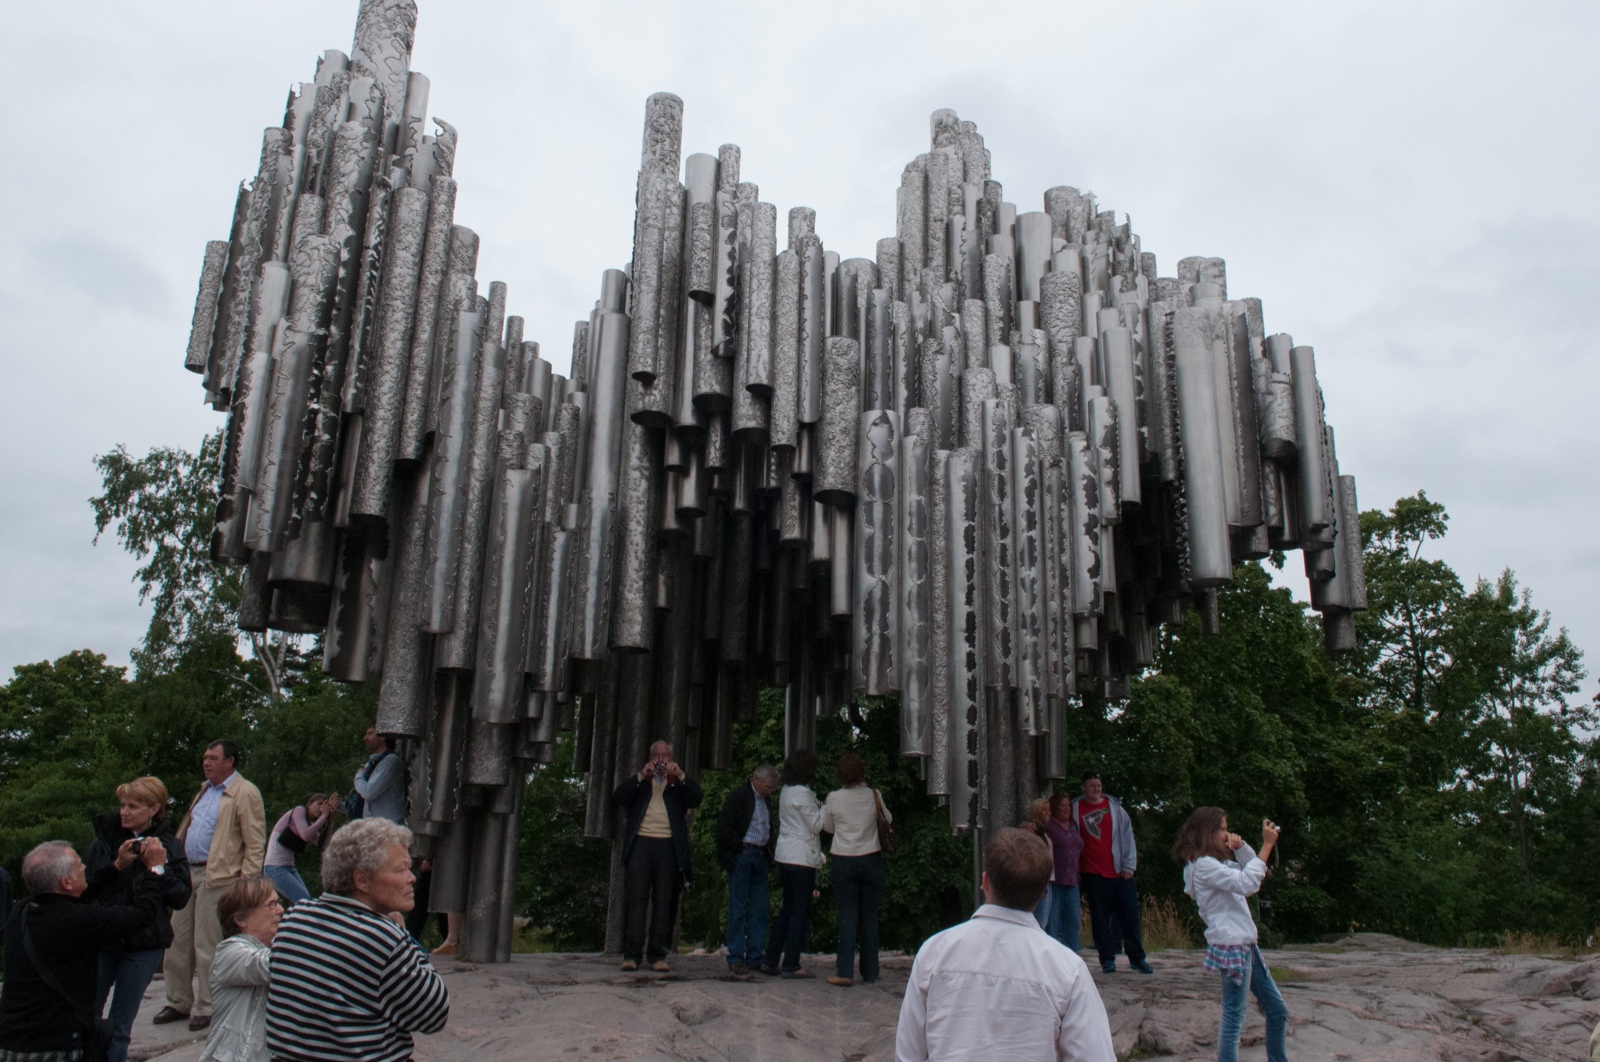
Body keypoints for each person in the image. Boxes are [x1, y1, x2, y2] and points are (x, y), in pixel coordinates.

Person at [895, 827, 1115, 1062]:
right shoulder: (1068, 969)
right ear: (1043, 892)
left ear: (985, 881)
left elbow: (908, 1054)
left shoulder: (934, 953)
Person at [266, 819, 448, 1061]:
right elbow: (435, 1014)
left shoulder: (294, 919)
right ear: (361, 880)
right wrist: (406, 939)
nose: (411, 877)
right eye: (401, 869)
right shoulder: (383, 938)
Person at [0, 840, 168, 1059]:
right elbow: (140, 915)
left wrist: (117, 865)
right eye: (79, 866)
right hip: (53, 1047)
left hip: (11, 1042)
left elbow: (78, 897)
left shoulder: (20, 912)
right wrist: (156, 869)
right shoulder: (77, 921)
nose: (85, 868)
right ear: (66, 882)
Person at [158, 739, 267, 1031]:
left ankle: (208, 1005)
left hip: (219, 875)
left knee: (207, 943)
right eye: (205, 757)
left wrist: (248, 884)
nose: (206, 762)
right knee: (176, 938)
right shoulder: (205, 790)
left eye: (213, 758)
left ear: (230, 761)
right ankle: (177, 1000)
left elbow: (255, 842)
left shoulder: (245, 792)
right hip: (188, 873)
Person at [84, 776, 194, 1062]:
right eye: (122, 805)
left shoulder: (169, 845)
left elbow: (180, 897)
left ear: (153, 808)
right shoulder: (104, 842)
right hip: (103, 938)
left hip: (144, 943)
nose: (124, 811)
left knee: (121, 1027)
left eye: (133, 806)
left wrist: (157, 868)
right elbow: (87, 888)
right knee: (85, 1016)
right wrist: (117, 865)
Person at [1174, 809, 1287, 1062]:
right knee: (1233, 1018)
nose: (1227, 833)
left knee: (1277, 1010)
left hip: (1244, 944)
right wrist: (1267, 845)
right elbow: (1249, 884)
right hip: (1233, 944)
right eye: (1223, 829)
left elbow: (1251, 872)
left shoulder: (1213, 864)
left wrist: (1242, 846)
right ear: (1207, 832)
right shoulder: (1204, 867)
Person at [612, 740, 703, 972]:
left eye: (665, 755)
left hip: (668, 845)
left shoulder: (677, 785)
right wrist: (641, 775)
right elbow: (619, 796)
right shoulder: (642, 783)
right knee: (637, 899)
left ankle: (657, 955)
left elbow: (696, 798)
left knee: (664, 901)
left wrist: (681, 775)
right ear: (650, 757)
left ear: (671, 757)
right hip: (641, 842)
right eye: (657, 755)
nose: (661, 759)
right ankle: (632, 955)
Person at [821, 751, 890, 987]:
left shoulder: (833, 798)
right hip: (871, 858)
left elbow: (828, 828)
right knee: (870, 916)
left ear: (840, 774)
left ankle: (845, 971)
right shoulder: (874, 795)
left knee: (847, 916)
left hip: (844, 859)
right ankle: (870, 971)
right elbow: (887, 820)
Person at [1072, 772, 1151, 974]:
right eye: (1092, 786)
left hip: (1119, 871)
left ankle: (1137, 957)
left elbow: (1127, 836)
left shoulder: (1114, 808)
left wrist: (1129, 865)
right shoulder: (1075, 809)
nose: (1096, 789)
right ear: (1083, 788)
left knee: (1129, 916)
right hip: (1092, 872)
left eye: (1098, 785)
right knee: (1100, 918)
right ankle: (1107, 959)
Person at [198, 876, 281, 1062]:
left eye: (278, 903)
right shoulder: (228, 952)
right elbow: (270, 965)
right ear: (241, 919)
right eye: (271, 904)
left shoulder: (274, 948)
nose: (280, 910)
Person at [762, 750, 824, 979]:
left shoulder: (786, 791)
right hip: (801, 858)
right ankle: (791, 963)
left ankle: (771, 958)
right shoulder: (803, 794)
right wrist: (825, 807)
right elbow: (817, 825)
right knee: (800, 910)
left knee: (787, 909)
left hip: (785, 854)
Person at [714, 764, 779, 975]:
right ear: (757, 780)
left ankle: (754, 956)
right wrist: (739, 846)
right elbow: (723, 827)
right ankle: (735, 956)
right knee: (738, 907)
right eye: (768, 787)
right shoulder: (739, 796)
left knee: (759, 908)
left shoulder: (765, 799)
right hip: (744, 854)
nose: (770, 791)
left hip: (760, 855)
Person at [263, 793, 338, 907]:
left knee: (306, 901)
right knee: (305, 903)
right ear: (309, 805)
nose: (321, 807)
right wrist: (323, 817)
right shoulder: (299, 811)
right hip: (275, 868)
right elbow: (305, 834)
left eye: (324, 804)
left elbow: (324, 845)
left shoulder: (309, 824)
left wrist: (330, 818)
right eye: (319, 803)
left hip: (288, 866)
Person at [1043, 793, 1084, 953]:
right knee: (1052, 922)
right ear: (1055, 807)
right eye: (1062, 805)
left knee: (1073, 921)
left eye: (1068, 805)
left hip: (1072, 880)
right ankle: (1052, 956)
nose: (1066, 809)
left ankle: (1072, 956)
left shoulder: (1073, 825)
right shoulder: (1050, 825)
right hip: (1055, 880)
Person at [349, 725, 406, 824]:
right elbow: (365, 804)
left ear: (382, 735)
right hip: (375, 828)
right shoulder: (373, 762)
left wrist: (358, 776)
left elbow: (369, 792)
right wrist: (339, 806)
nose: (365, 738)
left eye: (370, 734)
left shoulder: (391, 761)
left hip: (387, 828)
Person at [1022, 798, 1055, 931]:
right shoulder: (1033, 830)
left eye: (1049, 810)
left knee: (1045, 920)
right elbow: (1035, 857)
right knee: (1039, 922)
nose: (1048, 813)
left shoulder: (1044, 831)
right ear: (1037, 812)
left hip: (1049, 879)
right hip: (1041, 879)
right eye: (1044, 810)